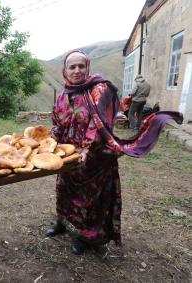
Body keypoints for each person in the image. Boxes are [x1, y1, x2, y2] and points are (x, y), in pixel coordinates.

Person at [46, 50, 183, 255]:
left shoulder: (100, 90)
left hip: (94, 157)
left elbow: (98, 124)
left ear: (88, 67)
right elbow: (57, 123)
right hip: (67, 156)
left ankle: (86, 236)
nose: (76, 71)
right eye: (71, 67)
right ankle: (63, 223)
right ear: (64, 70)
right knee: (64, 190)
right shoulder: (64, 95)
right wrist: (49, 142)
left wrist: (86, 149)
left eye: (81, 66)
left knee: (88, 199)